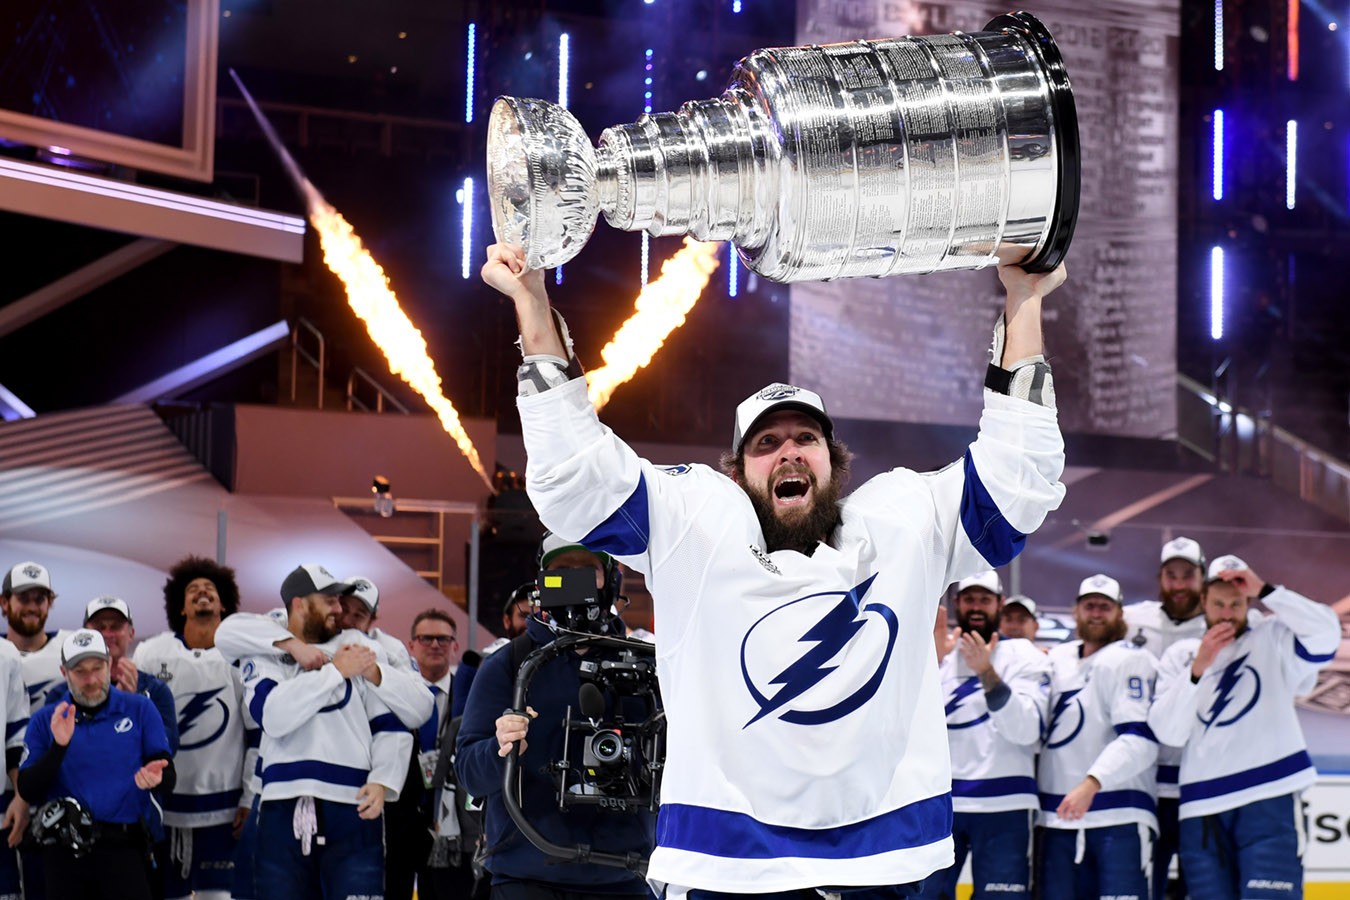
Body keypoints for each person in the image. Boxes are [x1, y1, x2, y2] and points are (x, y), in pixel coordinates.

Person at [481, 242, 1068, 896]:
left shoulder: (901, 523)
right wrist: (534, 306)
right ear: (737, 473)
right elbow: (575, 477)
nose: (789, 452)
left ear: (834, 463)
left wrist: (1024, 302)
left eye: (805, 439)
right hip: (729, 860)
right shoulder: (697, 526)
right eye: (767, 443)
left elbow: (1016, 483)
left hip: (882, 857)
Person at [456, 533, 655, 900]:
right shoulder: (509, 664)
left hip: (625, 876)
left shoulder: (648, 665)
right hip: (527, 876)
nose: (575, 579)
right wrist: (500, 749)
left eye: (587, 569)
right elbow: (469, 772)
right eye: (562, 570)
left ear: (612, 582)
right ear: (541, 583)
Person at [1147, 555, 1339, 900]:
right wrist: (1198, 668)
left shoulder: (1274, 636)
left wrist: (1266, 590)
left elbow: (1327, 634)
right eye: (1218, 603)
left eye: (1236, 603)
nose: (1227, 613)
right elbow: (1169, 733)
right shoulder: (1182, 655)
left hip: (1270, 794)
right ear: (1203, 600)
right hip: (1202, 805)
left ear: (1248, 600)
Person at [238, 563, 412, 900]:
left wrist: (384, 778)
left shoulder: (359, 649)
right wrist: (335, 672)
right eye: (330, 601)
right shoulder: (263, 652)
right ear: (300, 604)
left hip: (354, 804)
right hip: (281, 803)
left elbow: (390, 721)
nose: (339, 610)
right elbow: (273, 715)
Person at [18, 629, 174, 900]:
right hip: (64, 853)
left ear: (110, 664)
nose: (90, 680)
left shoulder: (140, 709)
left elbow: (167, 774)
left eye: (97, 668)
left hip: (124, 848)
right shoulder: (46, 720)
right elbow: (28, 789)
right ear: (64, 672)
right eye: (80, 671)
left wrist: (157, 778)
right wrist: (59, 746)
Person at [925, 571, 1051, 900]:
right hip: (940, 803)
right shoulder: (937, 654)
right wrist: (928, 665)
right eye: (969, 599)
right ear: (957, 603)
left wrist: (986, 672)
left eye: (985, 599)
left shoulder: (1024, 655)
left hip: (1005, 803)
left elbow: (1027, 730)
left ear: (1000, 604)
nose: (976, 607)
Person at [131, 555, 248, 900]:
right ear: (180, 607)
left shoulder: (241, 658)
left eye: (210, 588)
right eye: (192, 589)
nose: (202, 592)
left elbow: (257, 734)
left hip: (223, 809)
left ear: (223, 604)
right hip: (166, 807)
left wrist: (250, 795)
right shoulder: (151, 653)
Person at [1038, 574, 1159, 900]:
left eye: (1105, 607)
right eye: (1089, 605)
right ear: (1076, 611)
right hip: (1056, 819)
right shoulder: (1056, 660)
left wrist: (1092, 783)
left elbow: (1141, 740)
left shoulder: (1130, 659)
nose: (1096, 613)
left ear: (1120, 614)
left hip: (1118, 815)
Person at [1124, 536, 1208, 900]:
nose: (1179, 584)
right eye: (1171, 575)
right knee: (1146, 887)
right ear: (1160, 578)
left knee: (1203, 886)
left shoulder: (1219, 624)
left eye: (1187, 575)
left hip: (1199, 782)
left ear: (1202, 577)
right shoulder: (1133, 620)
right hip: (1146, 783)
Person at [3, 560, 71, 900]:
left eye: (40, 598)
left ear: (50, 603)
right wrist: (21, 795)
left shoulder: (72, 649)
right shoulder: (4, 656)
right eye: (23, 598)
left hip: (60, 791)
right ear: (4, 603)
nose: (32, 606)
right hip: (11, 794)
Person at [408, 609, 483, 900]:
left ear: (455, 646)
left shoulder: (471, 698)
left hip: (450, 820)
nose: (435, 645)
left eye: (443, 639)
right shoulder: (395, 693)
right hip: (403, 812)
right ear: (411, 645)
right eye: (426, 638)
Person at [83, 596, 179, 754]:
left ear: (131, 633)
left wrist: (134, 706)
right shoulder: (65, 692)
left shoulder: (155, 690)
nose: (107, 634)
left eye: (115, 627)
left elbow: (168, 746)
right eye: (100, 627)